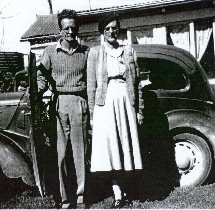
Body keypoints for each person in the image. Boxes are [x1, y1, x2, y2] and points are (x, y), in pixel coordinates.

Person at [87, 14, 143, 208]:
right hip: (105, 104)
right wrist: (92, 116)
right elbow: (91, 86)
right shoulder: (95, 53)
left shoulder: (128, 52)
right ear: (102, 32)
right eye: (108, 28)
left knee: (125, 147)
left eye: (114, 28)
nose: (112, 31)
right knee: (111, 150)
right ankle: (117, 194)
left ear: (119, 30)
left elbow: (137, 84)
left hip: (126, 101)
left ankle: (128, 192)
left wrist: (139, 110)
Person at [37, 9, 89, 209]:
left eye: (73, 27)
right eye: (66, 28)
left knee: (80, 154)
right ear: (59, 30)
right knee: (60, 156)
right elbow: (41, 77)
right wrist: (37, 90)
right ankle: (65, 199)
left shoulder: (86, 52)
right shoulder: (50, 52)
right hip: (59, 105)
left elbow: (91, 80)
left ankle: (82, 197)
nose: (70, 31)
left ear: (77, 29)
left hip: (79, 102)